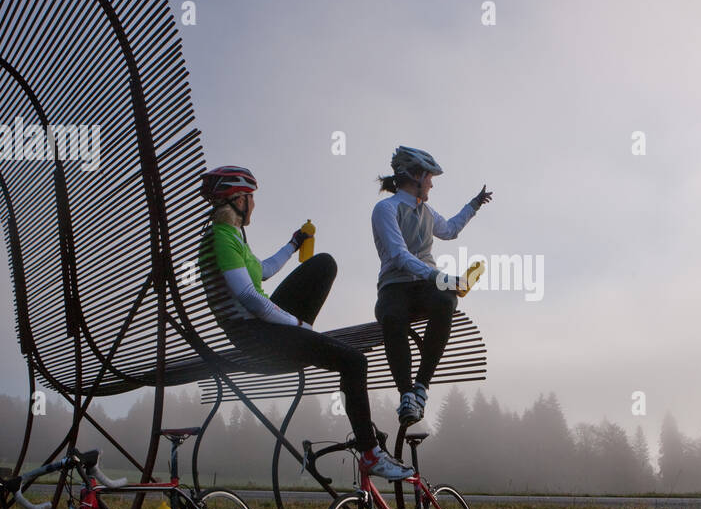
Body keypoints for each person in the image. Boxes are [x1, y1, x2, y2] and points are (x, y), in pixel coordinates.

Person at [198, 165, 413, 481]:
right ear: (237, 199)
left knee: (323, 263)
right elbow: (249, 296)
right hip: (256, 335)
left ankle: (306, 337)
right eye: (250, 198)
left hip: (261, 328)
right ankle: (371, 455)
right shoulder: (220, 238)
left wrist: (294, 244)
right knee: (354, 361)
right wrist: (297, 324)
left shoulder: (230, 237)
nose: (254, 205)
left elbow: (264, 272)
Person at [371, 146, 492, 426]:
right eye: (429, 177)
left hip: (424, 284)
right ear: (414, 176)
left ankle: (420, 388)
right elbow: (400, 255)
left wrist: (473, 205)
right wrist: (441, 278)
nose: (431, 183)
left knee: (446, 301)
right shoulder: (385, 209)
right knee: (392, 317)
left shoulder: (426, 210)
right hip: (394, 285)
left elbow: (449, 230)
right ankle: (406, 396)